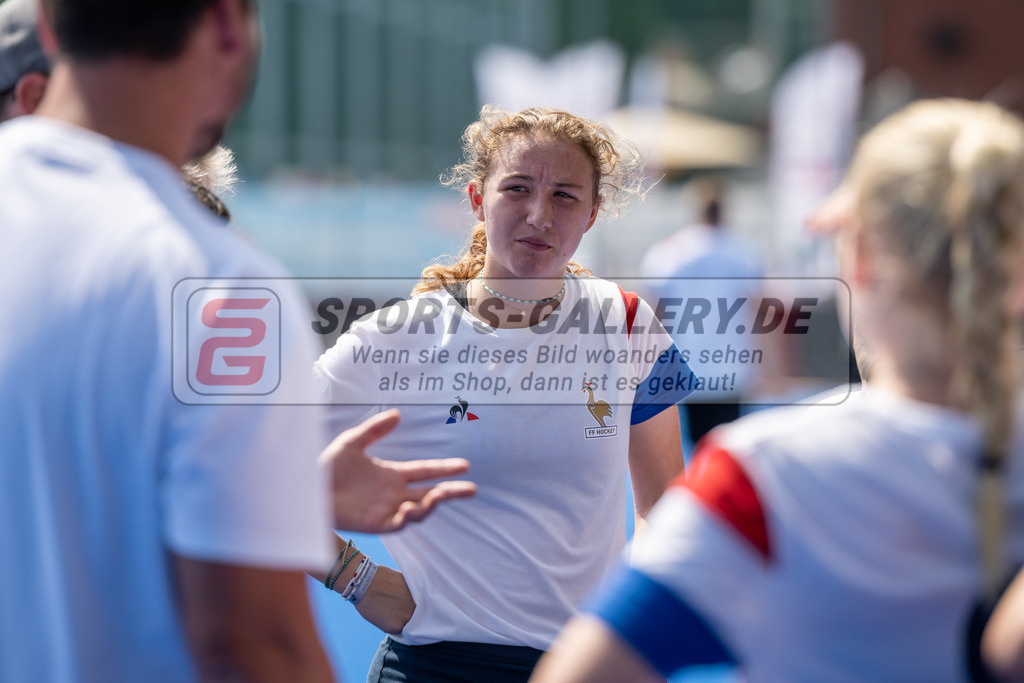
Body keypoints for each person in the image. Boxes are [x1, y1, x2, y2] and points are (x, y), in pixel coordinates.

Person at [0, 0, 473, 681]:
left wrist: (275, 494)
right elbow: (255, 646)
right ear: (226, 23)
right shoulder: (218, 287)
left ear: (48, 22)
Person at [530, 98, 1024, 683]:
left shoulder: (768, 472)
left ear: (859, 257)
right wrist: (774, 365)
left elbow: (582, 674)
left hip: (703, 380)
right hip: (735, 374)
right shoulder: (743, 261)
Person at [312, 105, 697, 682]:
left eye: (565, 196)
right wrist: (354, 577)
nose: (540, 214)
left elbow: (664, 508)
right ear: (476, 199)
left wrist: (629, 635)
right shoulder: (399, 336)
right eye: (517, 188)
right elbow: (237, 458)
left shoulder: (629, 322)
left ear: (591, 216)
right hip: (434, 668)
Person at [638, 177, 765, 444]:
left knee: (695, 450)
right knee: (731, 449)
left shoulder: (669, 252)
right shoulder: (743, 251)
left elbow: (654, 314)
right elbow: (760, 312)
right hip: (732, 369)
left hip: (689, 367)